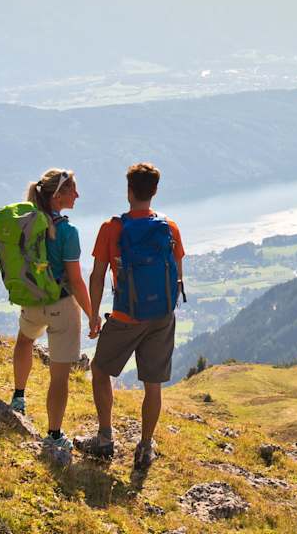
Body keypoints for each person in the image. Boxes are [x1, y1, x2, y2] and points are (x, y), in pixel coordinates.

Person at [78, 162, 185, 470]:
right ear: (154, 191)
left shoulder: (112, 228)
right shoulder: (170, 227)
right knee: (153, 384)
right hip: (161, 316)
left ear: (129, 191)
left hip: (126, 316)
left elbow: (97, 275)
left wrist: (95, 315)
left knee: (100, 371)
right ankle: (146, 447)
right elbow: (177, 275)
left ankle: (105, 438)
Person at [10, 168, 92, 464]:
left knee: (24, 341)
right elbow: (75, 280)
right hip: (61, 305)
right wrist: (92, 314)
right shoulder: (68, 232)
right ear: (58, 195)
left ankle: (18, 398)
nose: (77, 195)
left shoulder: (27, 223)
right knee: (59, 375)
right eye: (73, 190)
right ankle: (54, 435)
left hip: (32, 298)